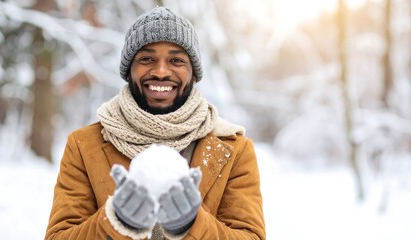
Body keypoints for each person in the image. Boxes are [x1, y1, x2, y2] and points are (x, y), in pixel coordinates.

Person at [45, 6, 265, 240]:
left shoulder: (234, 150)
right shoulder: (83, 146)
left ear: (193, 73)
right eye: (147, 58)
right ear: (129, 70)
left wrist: (191, 224)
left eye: (176, 60)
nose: (161, 72)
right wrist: (116, 221)